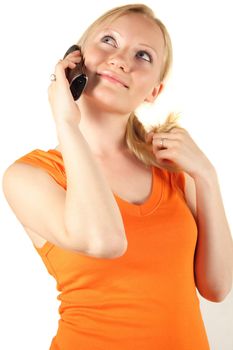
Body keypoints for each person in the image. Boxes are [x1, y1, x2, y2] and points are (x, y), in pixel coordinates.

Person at [2, 3, 233, 350]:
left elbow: (216, 287)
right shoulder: (31, 176)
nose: (122, 59)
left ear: (154, 91)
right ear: (75, 60)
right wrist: (67, 123)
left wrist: (207, 175)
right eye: (109, 40)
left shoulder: (173, 171)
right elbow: (106, 241)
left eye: (143, 55)